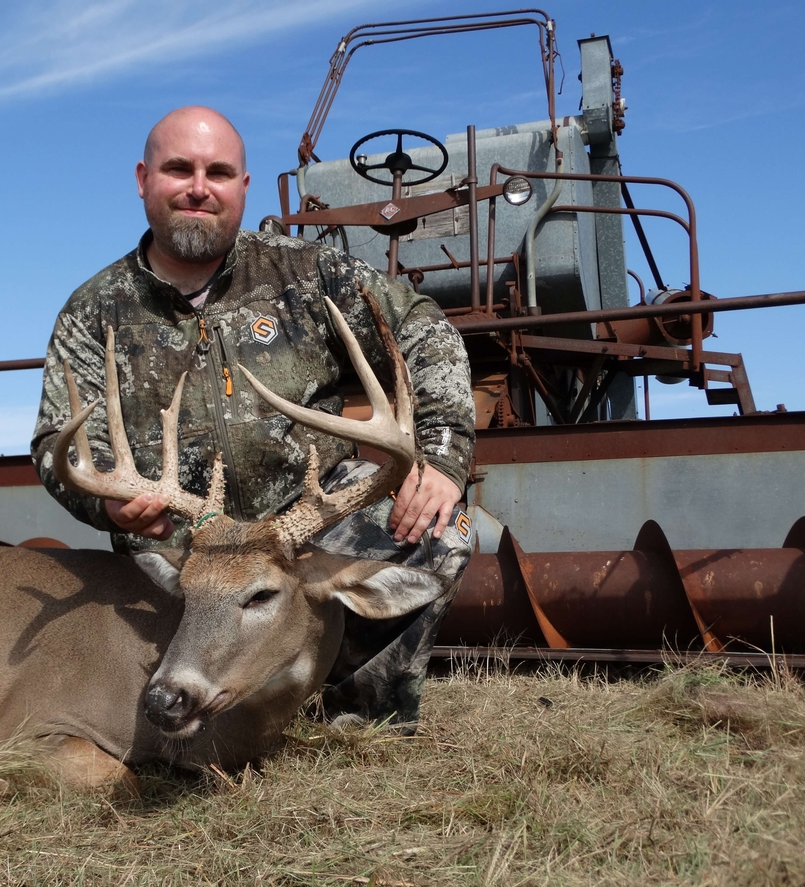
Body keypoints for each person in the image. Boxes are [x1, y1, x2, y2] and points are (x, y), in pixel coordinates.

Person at [31, 106, 476, 732]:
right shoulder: (93, 311)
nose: (197, 188)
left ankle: (356, 717)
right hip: (181, 546)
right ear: (143, 179)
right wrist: (106, 504)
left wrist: (441, 456)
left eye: (218, 172)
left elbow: (424, 332)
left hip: (305, 528)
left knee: (440, 534)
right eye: (177, 169)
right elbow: (58, 441)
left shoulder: (309, 273)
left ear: (243, 187)